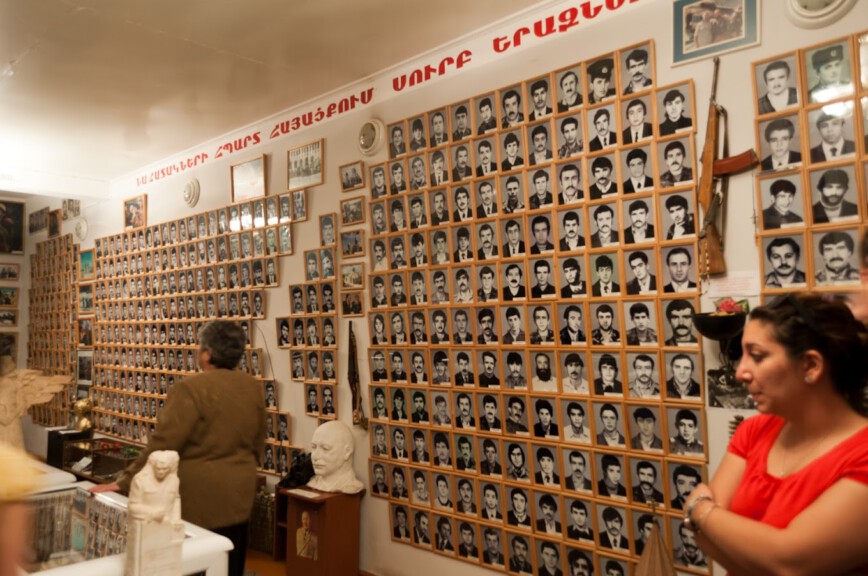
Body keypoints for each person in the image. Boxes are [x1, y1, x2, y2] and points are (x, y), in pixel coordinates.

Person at [91, 321, 265, 576]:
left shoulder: (192, 388)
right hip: (240, 494)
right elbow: (258, 443)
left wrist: (123, 482)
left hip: (200, 499)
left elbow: (164, 444)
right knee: (231, 561)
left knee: (198, 562)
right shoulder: (252, 387)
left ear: (207, 353)